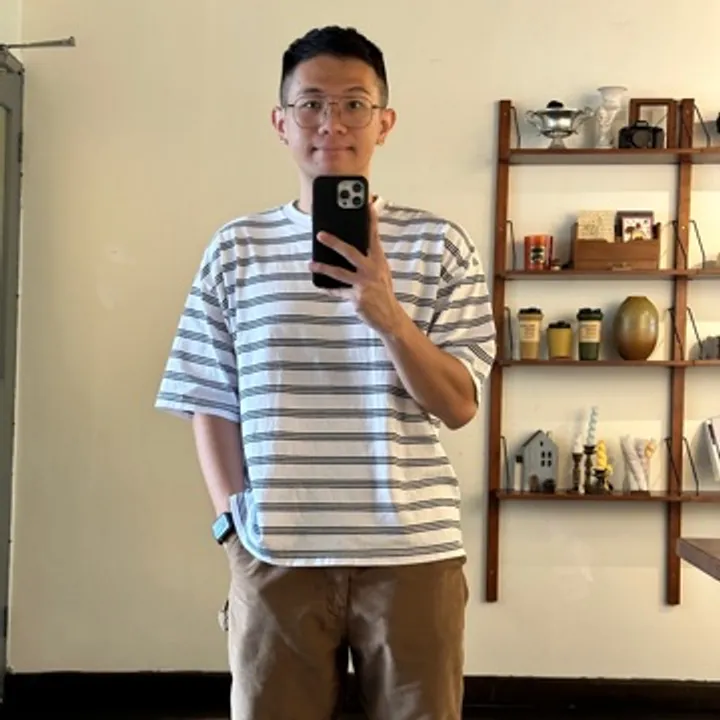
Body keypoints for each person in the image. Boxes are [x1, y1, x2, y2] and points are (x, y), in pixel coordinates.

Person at [155, 24, 496, 720]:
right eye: (310, 103)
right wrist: (233, 528)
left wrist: (389, 316)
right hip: (277, 550)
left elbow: (460, 404)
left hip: (413, 555)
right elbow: (208, 398)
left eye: (353, 104)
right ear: (280, 122)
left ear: (384, 122)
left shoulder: (439, 244)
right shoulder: (237, 248)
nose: (331, 123)